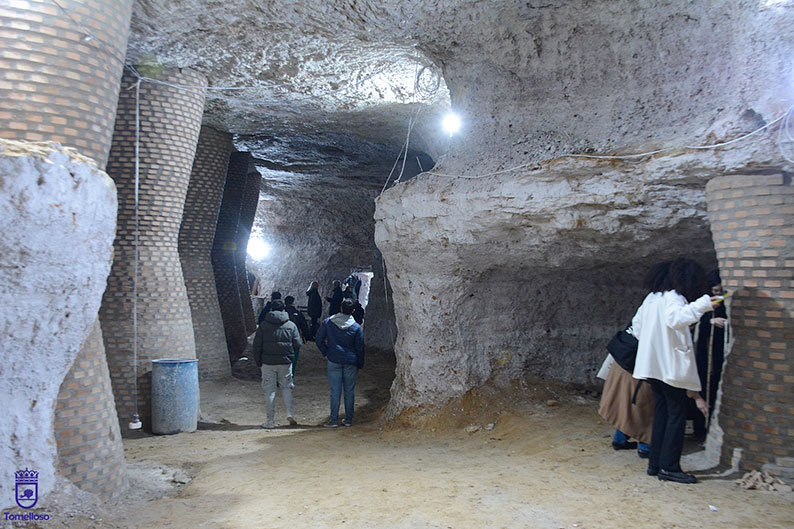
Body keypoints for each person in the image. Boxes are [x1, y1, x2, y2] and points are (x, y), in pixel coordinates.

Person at [632, 258, 719, 484]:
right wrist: (704, 304)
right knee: (676, 417)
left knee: (662, 415)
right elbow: (676, 319)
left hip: (652, 367)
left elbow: (638, 327)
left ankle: (655, 463)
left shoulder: (652, 298)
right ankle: (669, 467)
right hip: (669, 368)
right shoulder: (673, 297)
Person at [691, 270, 729, 440]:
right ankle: (700, 428)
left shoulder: (725, 302)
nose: (718, 295)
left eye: (720, 291)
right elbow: (692, 323)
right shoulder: (702, 302)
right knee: (702, 386)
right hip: (703, 352)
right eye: (715, 292)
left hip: (720, 351)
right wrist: (709, 321)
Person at [315, 299, 365, 427]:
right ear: (353, 311)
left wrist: (325, 353)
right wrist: (360, 364)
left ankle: (333, 420)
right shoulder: (356, 327)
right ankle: (348, 419)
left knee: (335, 391)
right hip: (350, 361)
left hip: (334, 359)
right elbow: (360, 347)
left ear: (341, 308)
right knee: (349, 391)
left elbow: (319, 339)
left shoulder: (328, 322)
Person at [252, 299, 301, 428]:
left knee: (269, 391)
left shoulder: (263, 326)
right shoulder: (291, 325)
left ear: (271, 310)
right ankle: (290, 413)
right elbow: (298, 344)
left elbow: (256, 346)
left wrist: (258, 361)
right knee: (286, 388)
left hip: (267, 362)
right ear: (284, 309)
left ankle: (270, 421)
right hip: (285, 362)